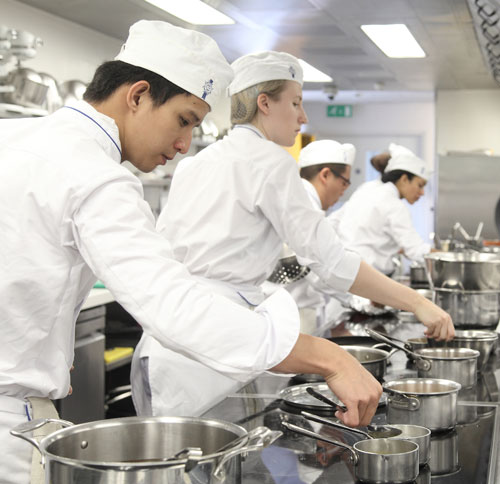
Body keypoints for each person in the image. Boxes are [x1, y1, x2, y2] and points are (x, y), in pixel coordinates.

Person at [0, 21, 343, 484]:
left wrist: (43, 352)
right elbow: (173, 305)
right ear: (137, 95)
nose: (184, 146)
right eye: (184, 120)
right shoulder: (95, 176)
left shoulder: (14, 137)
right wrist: (329, 359)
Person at [131, 51, 453, 422]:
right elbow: (332, 263)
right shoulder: (270, 162)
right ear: (264, 103)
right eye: (296, 103)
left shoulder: (196, 162)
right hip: (205, 358)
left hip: (162, 351)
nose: (303, 116)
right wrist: (417, 303)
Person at [283, 139, 356, 333]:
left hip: (297, 310)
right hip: (292, 316)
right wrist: (358, 298)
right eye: (344, 182)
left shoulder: (299, 198)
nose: (344, 190)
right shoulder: (304, 206)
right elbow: (324, 272)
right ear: (325, 175)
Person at [329, 144, 433, 276]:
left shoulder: (368, 188)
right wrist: (448, 256)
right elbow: (416, 250)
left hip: (346, 268)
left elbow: (335, 220)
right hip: (368, 275)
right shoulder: (394, 205)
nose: (422, 193)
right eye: (420, 185)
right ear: (404, 179)